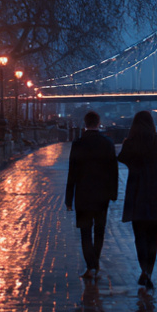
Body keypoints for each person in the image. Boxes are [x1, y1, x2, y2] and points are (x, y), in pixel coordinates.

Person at [117, 110, 157, 290]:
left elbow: (121, 158)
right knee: (153, 236)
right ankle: (149, 271)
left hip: (137, 193)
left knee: (139, 235)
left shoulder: (131, 143)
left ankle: (143, 269)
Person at [64, 111, 119, 279]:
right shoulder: (108, 143)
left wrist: (68, 198)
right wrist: (113, 193)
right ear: (98, 122)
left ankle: (91, 266)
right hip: (102, 194)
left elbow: (72, 172)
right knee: (100, 231)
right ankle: (95, 262)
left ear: (85, 123)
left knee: (85, 232)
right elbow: (113, 171)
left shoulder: (78, 144)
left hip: (83, 194)